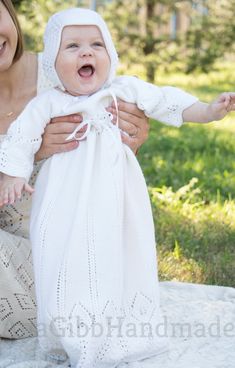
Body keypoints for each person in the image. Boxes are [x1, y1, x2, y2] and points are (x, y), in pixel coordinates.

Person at [1, 7, 235, 367]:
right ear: (53, 63)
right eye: (73, 46)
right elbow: (21, 136)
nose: (86, 52)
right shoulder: (49, 102)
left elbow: (167, 99)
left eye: (97, 44)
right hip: (63, 205)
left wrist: (208, 110)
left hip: (113, 201)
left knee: (117, 251)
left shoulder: (121, 91)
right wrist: (15, 173)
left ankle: (119, 317)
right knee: (66, 259)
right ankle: (72, 325)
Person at [0, 0, 150, 340]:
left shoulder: (67, 66)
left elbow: (120, 148)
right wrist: (27, 155)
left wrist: (132, 135)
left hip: (81, 247)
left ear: (8, 9)